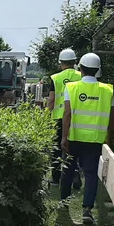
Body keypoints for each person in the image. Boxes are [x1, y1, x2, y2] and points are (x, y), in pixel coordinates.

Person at [61, 53, 114, 224]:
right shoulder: (107, 90)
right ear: (98, 70)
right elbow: (113, 119)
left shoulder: (71, 87)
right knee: (91, 174)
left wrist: (64, 137)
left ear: (80, 68)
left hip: (73, 138)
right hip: (95, 140)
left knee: (67, 171)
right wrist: (109, 139)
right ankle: (87, 210)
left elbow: (67, 113)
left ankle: (64, 203)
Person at [46, 48, 82, 185]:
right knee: (73, 146)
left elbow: (51, 100)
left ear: (61, 63)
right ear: (74, 62)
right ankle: (75, 171)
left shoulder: (56, 78)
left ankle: (56, 178)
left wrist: (45, 117)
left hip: (58, 118)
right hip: (76, 118)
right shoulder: (81, 76)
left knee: (56, 148)